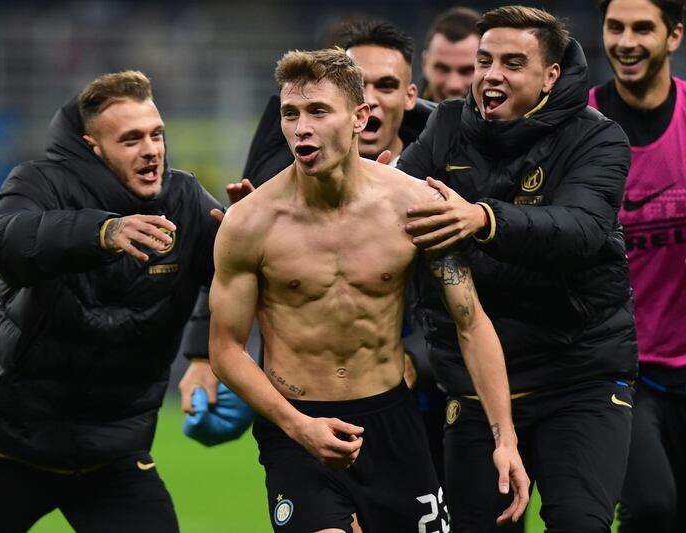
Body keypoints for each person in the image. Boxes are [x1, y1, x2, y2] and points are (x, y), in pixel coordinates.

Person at [209, 47, 528, 533]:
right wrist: (298, 426)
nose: (301, 128)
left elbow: (470, 321)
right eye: (290, 113)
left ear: (359, 117)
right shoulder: (249, 223)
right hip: (297, 426)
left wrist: (504, 438)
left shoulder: (414, 205)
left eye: (318, 111)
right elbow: (226, 349)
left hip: (391, 421)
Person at [0, 71, 222, 532]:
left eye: (156, 135)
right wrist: (102, 231)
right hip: (9, 443)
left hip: (110, 454)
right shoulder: (38, 183)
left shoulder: (185, 199)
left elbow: (236, 271)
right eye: (131, 140)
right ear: (94, 147)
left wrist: (205, 351)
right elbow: (7, 241)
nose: (151, 150)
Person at [397, 6, 638, 532]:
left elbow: (581, 228)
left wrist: (481, 218)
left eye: (512, 62)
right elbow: (388, 207)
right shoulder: (443, 130)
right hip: (477, 388)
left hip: (577, 378)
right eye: (485, 60)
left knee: (579, 522)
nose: (490, 75)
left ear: (550, 75)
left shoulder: (597, 139)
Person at [179, 19, 439, 447]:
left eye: (385, 85)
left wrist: (418, 362)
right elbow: (237, 243)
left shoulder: (438, 165)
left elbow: (472, 306)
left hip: (414, 381)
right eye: (358, 81)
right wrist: (201, 353)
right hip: (306, 397)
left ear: (407, 97)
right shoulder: (286, 147)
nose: (371, 95)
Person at [591, 1, 686, 531]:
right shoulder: (575, 125)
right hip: (617, 368)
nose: (626, 41)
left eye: (642, 28)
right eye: (615, 27)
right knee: (651, 505)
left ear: (674, 36)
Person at [420, 7, 481, 103]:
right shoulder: (401, 117)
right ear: (424, 64)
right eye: (442, 70)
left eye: (467, 71)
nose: (454, 85)